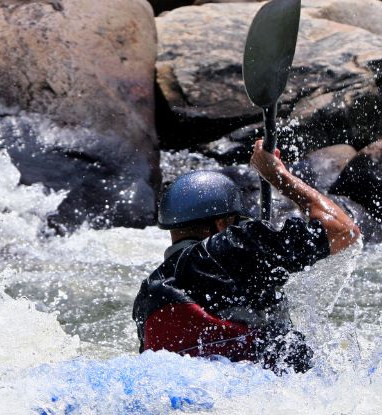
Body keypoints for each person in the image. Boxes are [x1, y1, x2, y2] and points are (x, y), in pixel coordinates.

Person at [132, 139, 361, 374]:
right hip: (274, 392)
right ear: (222, 224)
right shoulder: (231, 247)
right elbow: (343, 230)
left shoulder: (148, 293)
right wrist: (278, 176)